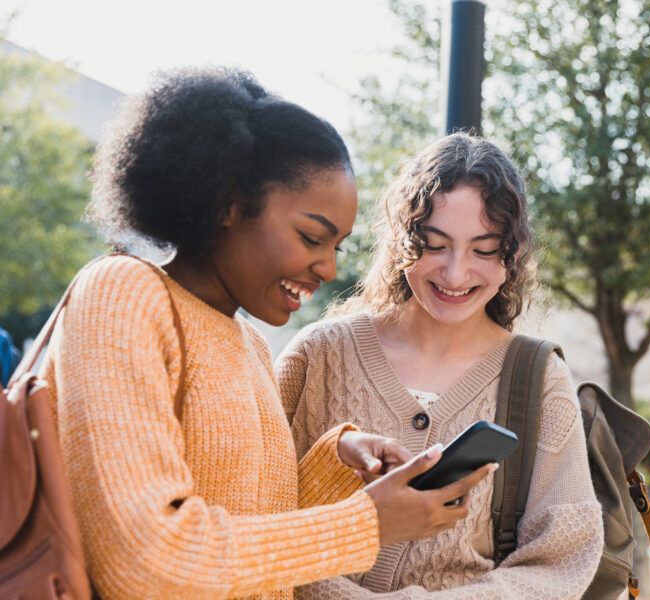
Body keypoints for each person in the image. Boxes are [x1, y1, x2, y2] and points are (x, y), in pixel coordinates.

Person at [41, 68, 492, 600]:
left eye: (337, 246)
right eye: (311, 236)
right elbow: (148, 560)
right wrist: (367, 524)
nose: (326, 268)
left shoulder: (248, 341)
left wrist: (341, 458)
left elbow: (258, 541)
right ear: (227, 204)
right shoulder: (122, 295)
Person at [277, 133, 603, 599]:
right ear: (403, 241)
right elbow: (255, 512)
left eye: (484, 248)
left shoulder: (537, 376)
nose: (455, 273)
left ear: (512, 255)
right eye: (435, 243)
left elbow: (560, 559)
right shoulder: (319, 354)